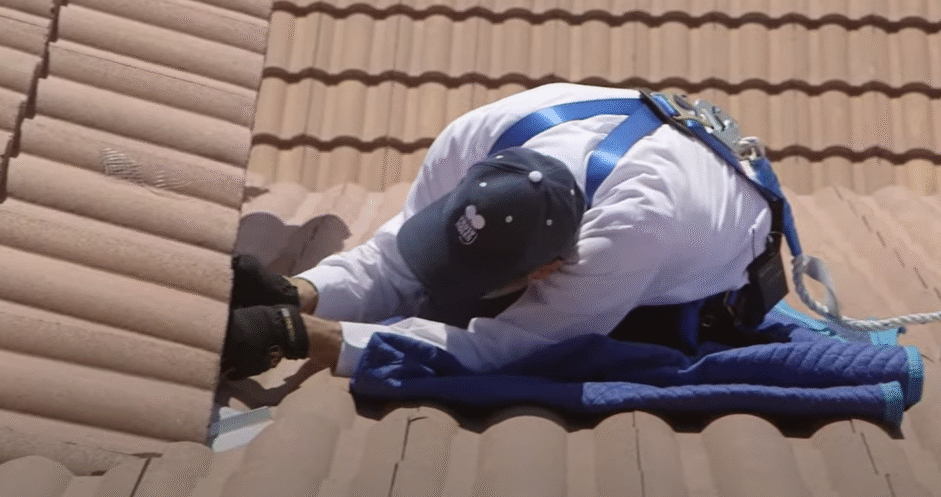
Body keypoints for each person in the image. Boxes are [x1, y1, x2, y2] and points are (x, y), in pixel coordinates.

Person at [222, 82, 774, 381]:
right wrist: (300, 294)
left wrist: (307, 337)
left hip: (716, 253)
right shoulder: (479, 135)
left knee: (562, 353)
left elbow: (505, 348)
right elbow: (397, 261)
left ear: (550, 267)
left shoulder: (628, 236)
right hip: (640, 172)